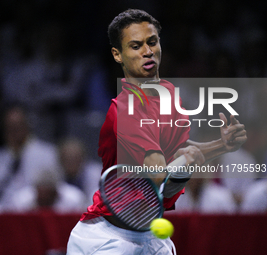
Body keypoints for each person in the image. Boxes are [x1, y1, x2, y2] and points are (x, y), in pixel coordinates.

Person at [67, 9, 247, 255]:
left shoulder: (170, 96)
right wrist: (186, 164)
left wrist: (221, 145)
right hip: (106, 240)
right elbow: (158, 175)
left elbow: (177, 153)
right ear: (117, 55)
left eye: (152, 42)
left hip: (150, 236)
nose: (147, 51)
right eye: (135, 45)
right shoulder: (124, 110)